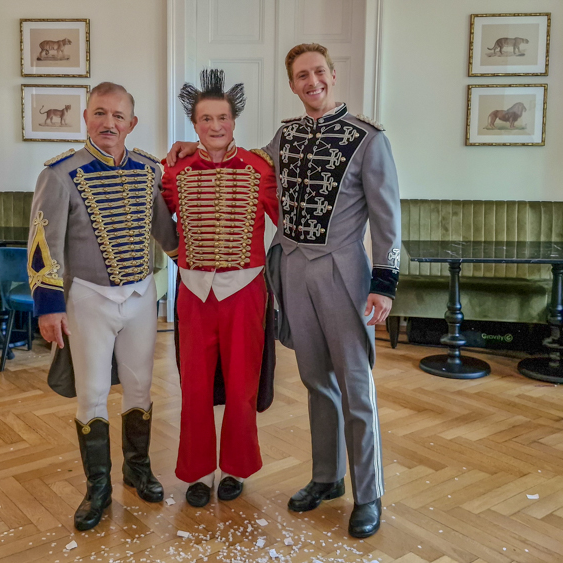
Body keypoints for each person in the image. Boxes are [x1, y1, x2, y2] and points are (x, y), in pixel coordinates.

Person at [167, 44, 401, 538]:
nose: (311, 81)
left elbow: (388, 219)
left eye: (318, 72)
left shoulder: (368, 139)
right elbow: (240, 161)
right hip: (292, 271)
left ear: (332, 76)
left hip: (343, 272)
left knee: (356, 387)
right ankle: (325, 476)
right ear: (292, 85)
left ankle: (370, 493)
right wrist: (194, 146)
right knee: (318, 382)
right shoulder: (286, 136)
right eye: (301, 75)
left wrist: (385, 281)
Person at [28, 82, 179, 531]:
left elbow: (169, 235)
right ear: (86, 118)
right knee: (92, 393)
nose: (108, 123)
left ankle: (137, 469)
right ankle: (97, 488)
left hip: (139, 298)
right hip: (86, 300)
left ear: (132, 123)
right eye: (100, 113)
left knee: (139, 389)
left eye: (118, 115)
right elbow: (42, 244)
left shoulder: (150, 170)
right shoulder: (59, 174)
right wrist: (48, 306)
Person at [161, 70, 279, 508]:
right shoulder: (175, 169)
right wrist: (176, 255)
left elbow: (287, 222)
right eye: (206, 119)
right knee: (192, 387)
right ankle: (195, 472)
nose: (215, 126)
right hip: (193, 292)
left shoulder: (260, 168)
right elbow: (158, 217)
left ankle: (234, 468)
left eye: (223, 118)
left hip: (246, 289)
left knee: (242, 384)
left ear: (234, 121)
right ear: (194, 125)